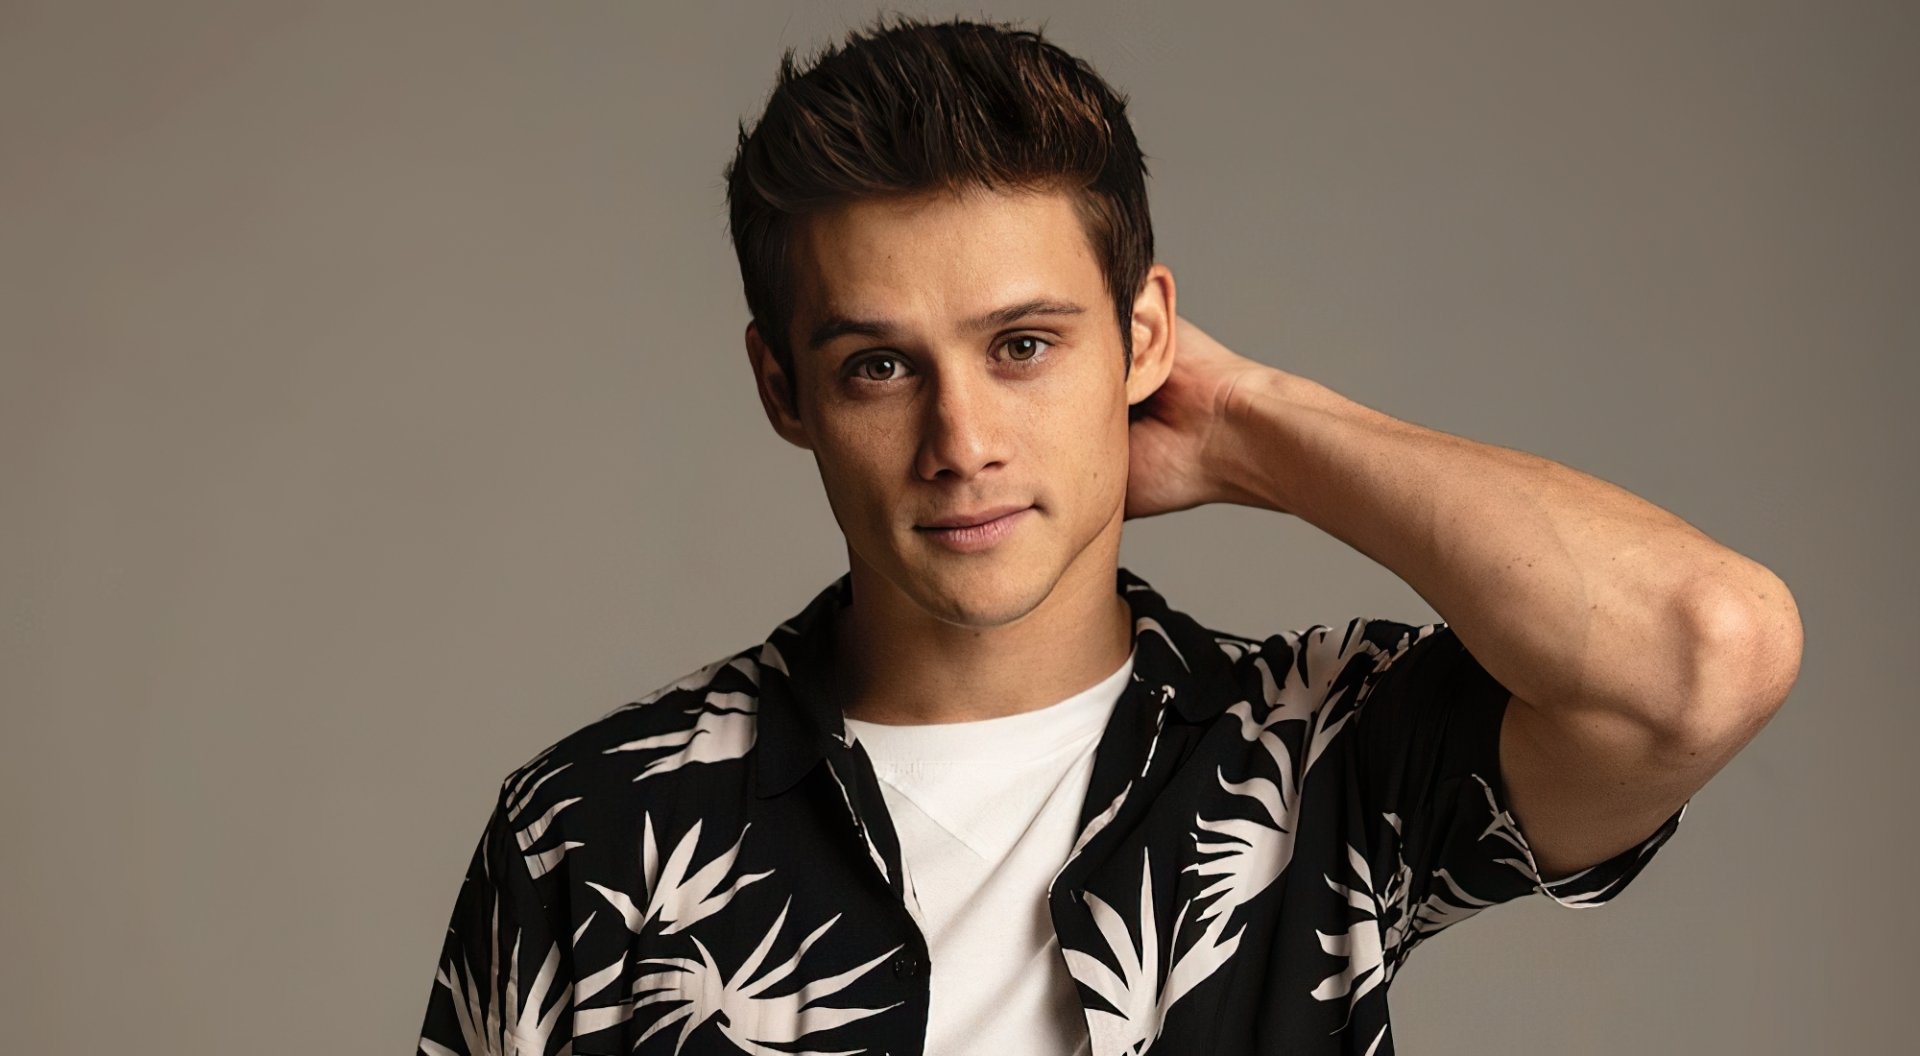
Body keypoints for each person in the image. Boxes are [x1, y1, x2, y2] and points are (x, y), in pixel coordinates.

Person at [416, 14, 1801, 1056]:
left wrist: (1254, 423)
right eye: (879, 368)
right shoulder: (595, 828)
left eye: (1024, 345)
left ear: (1143, 336)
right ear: (784, 388)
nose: (963, 443)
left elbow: (1703, 652)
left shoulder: (1311, 757)